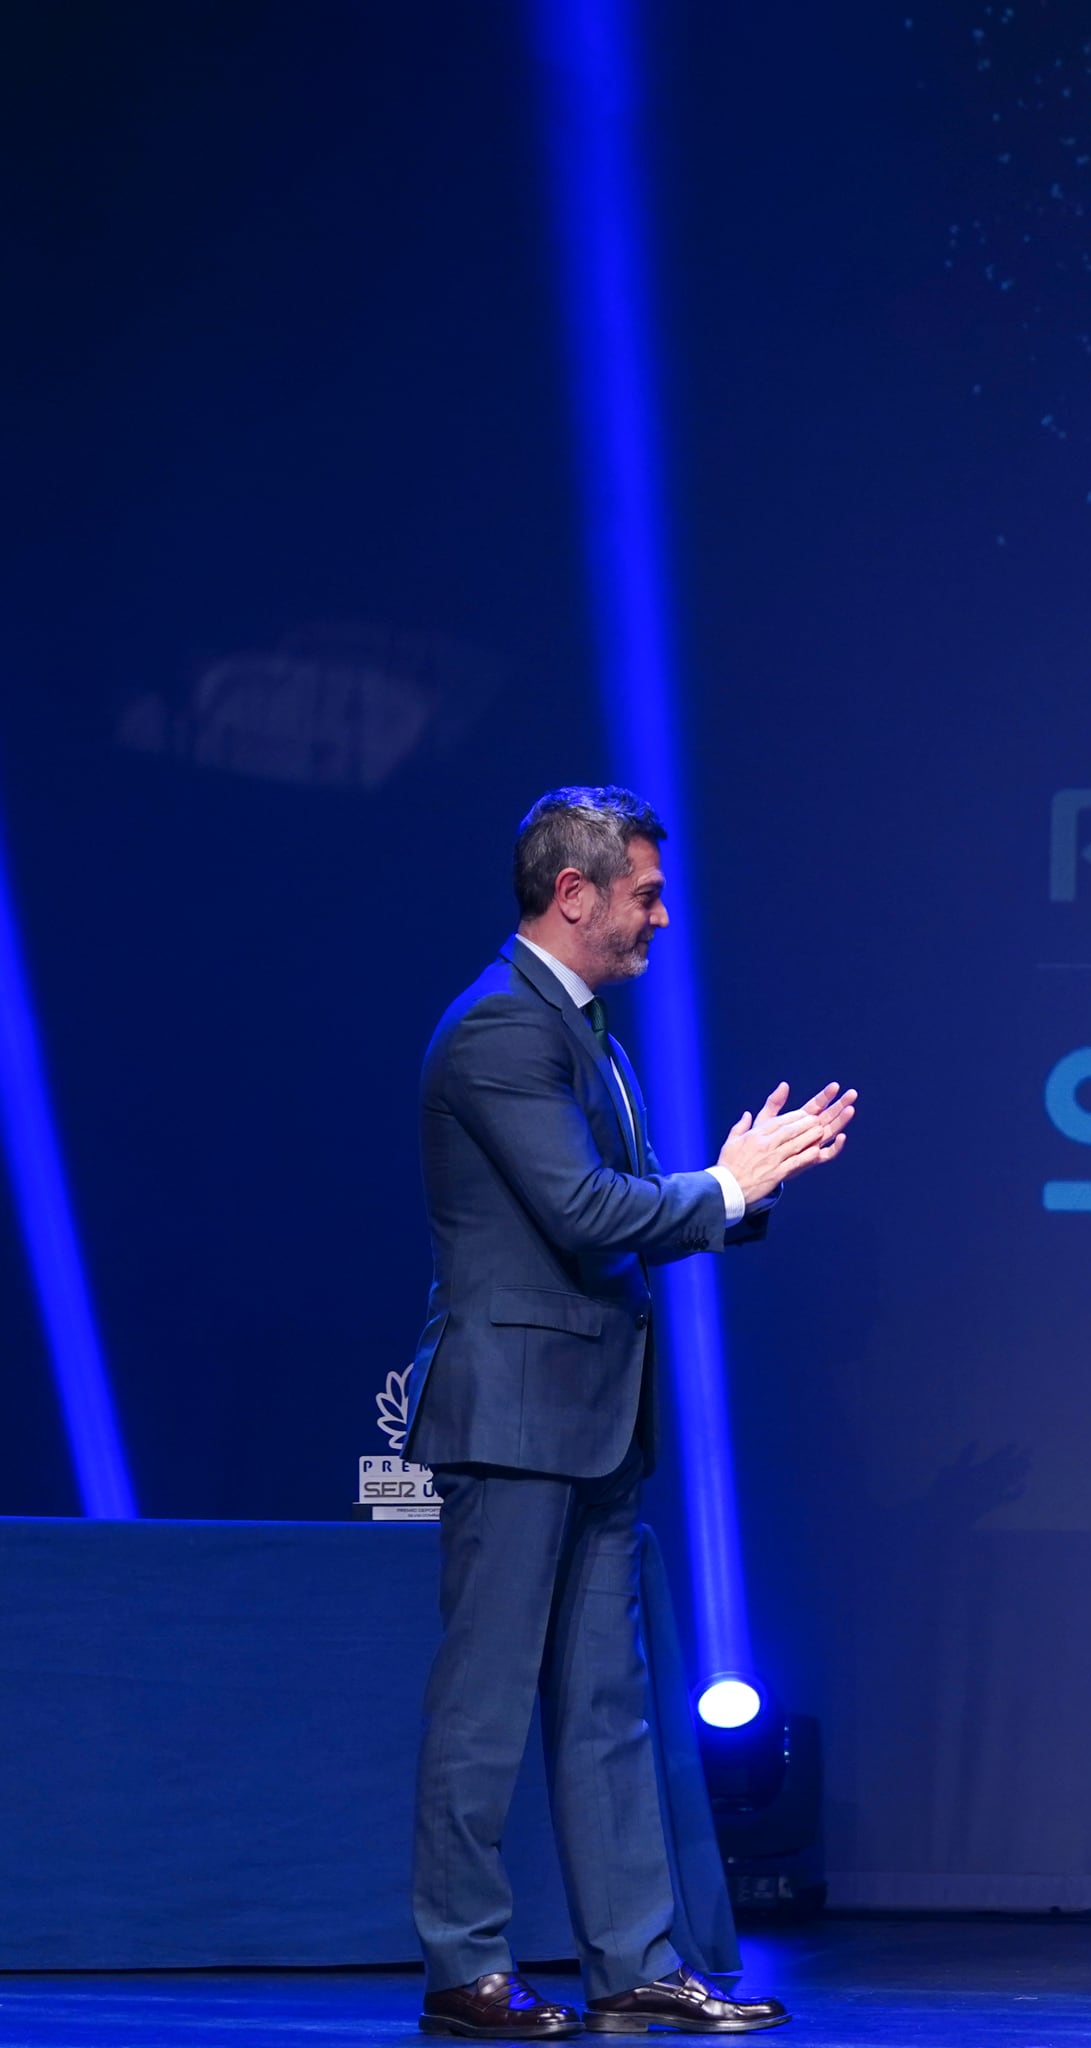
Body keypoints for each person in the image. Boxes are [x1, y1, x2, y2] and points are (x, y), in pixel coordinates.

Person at [407, 787, 856, 2040]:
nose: (663, 913)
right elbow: (586, 1213)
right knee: (486, 1706)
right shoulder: (502, 1028)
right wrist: (724, 1182)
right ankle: (463, 1965)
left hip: (596, 1418)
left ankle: (634, 1959)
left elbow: (619, 1209)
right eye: (645, 892)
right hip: (513, 1421)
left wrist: (734, 1186)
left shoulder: (587, 1033)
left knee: (609, 1708)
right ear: (574, 893)